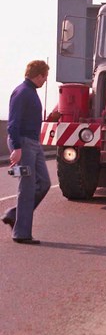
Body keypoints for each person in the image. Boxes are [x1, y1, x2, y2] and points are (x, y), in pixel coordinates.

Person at [2, 60, 51, 244]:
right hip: (23, 143)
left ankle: (14, 214)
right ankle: (21, 233)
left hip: (33, 143)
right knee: (27, 187)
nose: (45, 80)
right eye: (45, 77)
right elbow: (13, 123)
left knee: (44, 183)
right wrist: (16, 148)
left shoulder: (31, 92)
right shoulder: (22, 92)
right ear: (38, 75)